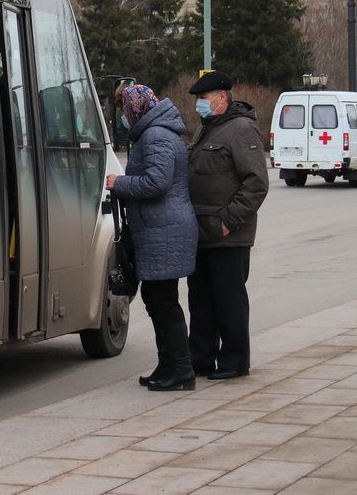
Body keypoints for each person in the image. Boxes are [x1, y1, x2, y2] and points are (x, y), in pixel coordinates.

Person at [106, 84, 198, 392]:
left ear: (136, 108)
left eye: (124, 109)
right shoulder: (156, 132)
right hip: (160, 230)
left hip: (165, 230)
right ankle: (168, 364)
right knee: (157, 299)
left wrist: (120, 183)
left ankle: (181, 369)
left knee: (163, 301)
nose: (123, 116)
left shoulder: (156, 135)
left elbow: (157, 182)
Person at [186, 71, 269, 380]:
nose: (199, 105)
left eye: (203, 100)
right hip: (202, 232)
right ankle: (201, 358)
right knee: (201, 299)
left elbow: (256, 184)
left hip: (227, 234)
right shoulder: (207, 130)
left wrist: (227, 222)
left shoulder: (241, 130)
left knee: (229, 300)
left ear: (222, 98)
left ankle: (234, 361)